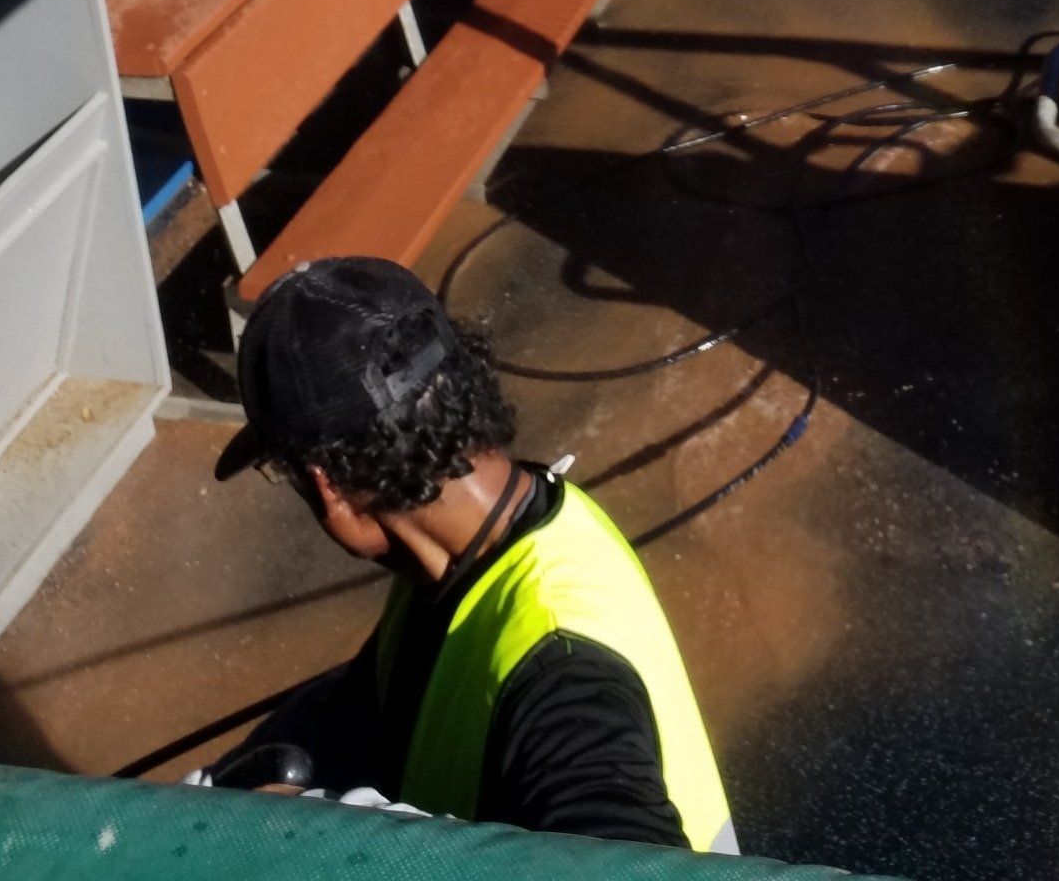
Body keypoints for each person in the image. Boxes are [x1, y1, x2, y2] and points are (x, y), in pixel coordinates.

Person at [212, 255, 735, 852]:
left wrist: (321, 835)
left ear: (329, 488)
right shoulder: (455, 553)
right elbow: (366, 707)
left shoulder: (560, 669)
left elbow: (622, 841)